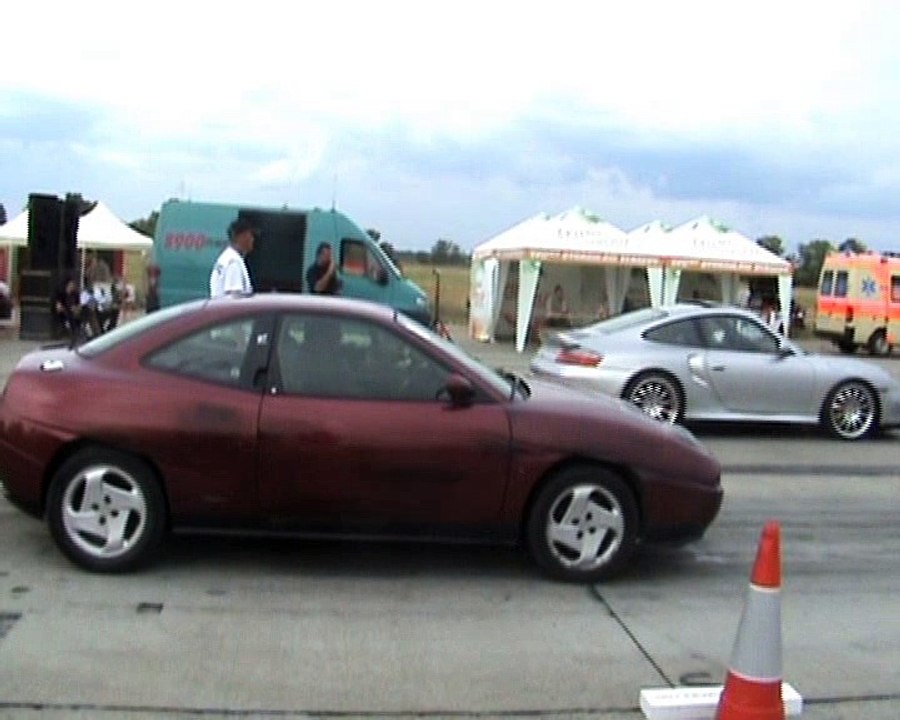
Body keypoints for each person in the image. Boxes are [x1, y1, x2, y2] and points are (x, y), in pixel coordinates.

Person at [209, 218, 255, 298]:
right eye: (250, 235)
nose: (252, 239)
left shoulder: (227, 257)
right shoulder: (233, 262)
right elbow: (234, 297)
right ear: (241, 237)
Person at [54, 278, 82, 347]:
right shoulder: (61, 293)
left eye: (73, 285)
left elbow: (78, 304)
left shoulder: (75, 294)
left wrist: (76, 308)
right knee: (67, 317)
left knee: (74, 317)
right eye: (70, 285)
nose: (72, 286)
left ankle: (74, 336)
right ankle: (68, 333)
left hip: (72, 311)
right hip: (64, 311)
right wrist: (60, 306)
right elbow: (58, 303)